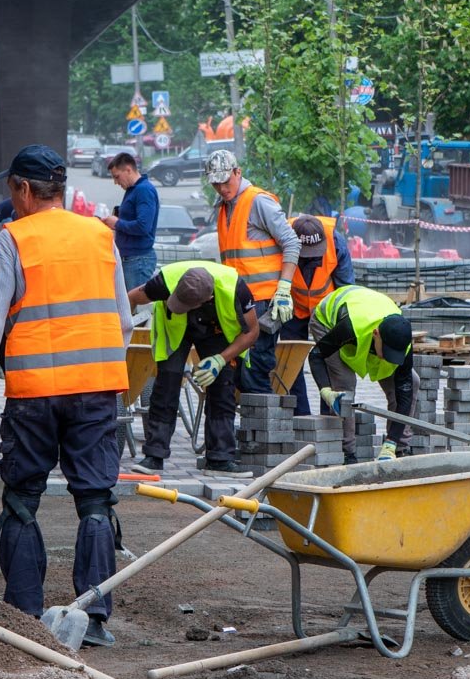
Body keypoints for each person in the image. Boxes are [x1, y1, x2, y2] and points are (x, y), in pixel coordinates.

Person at [0, 144, 132, 649]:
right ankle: (92, 618)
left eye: (11, 189)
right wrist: (109, 375)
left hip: (34, 395)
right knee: (95, 499)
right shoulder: (100, 235)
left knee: (23, 499)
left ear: (24, 190)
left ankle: (25, 615)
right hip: (95, 391)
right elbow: (124, 320)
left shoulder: (14, 239)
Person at [127, 261, 259, 479]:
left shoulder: (236, 289)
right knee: (166, 387)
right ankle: (154, 456)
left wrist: (220, 360)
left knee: (222, 387)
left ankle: (219, 459)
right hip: (176, 330)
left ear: (207, 298)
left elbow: (252, 332)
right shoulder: (164, 282)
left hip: (216, 331)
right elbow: (131, 298)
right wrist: (120, 335)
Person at [206, 149, 301, 396]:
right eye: (216, 184)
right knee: (241, 371)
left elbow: (291, 242)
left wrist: (283, 288)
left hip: (265, 301)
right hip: (239, 301)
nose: (222, 188)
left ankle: (267, 431)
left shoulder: (258, 201)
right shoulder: (224, 206)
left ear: (238, 173)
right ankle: (258, 428)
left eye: (226, 182)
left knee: (255, 368)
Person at [308, 284, 417, 464]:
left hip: (367, 319)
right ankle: (346, 453)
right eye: (388, 352)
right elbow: (316, 356)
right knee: (344, 383)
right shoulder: (350, 327)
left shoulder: (402, 339)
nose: (388, 359)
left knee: (413, 381)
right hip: (328, 322)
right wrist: (325, 390)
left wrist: (391, 442)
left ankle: (397, 448)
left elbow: (405, 392)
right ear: (376, 334)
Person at [282, 215, 354, 416]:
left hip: (324, 311)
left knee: (330, 360)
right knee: (291, 362)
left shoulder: (336, 242)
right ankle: (300, 416)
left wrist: (342, 323)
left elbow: (346, 288)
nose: (311, 258)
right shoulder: (280, 236)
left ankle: (329, 416)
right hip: (293, 308)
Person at [102, 151, 159, 290]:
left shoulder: (143, 190)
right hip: (133, 259)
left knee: (133, 307)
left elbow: (143, 226)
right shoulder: (134, 190)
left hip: (137, 260)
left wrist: (116, 223)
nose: (116, 182)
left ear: (128, 170)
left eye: (117, 177)